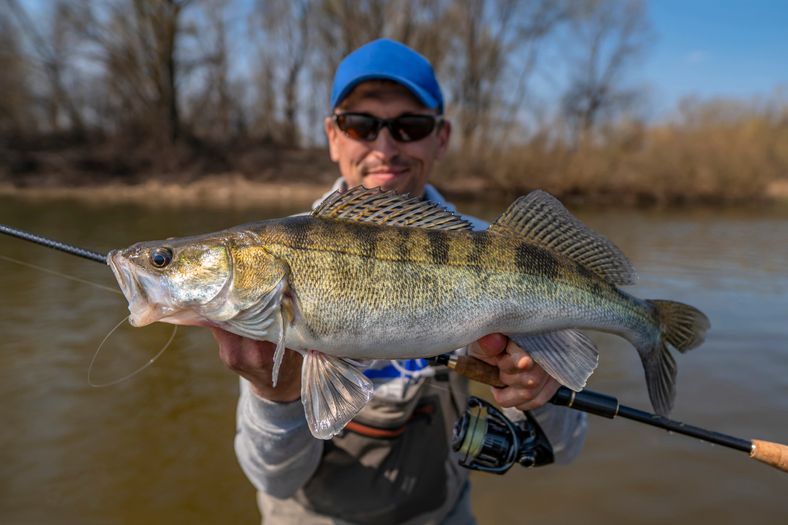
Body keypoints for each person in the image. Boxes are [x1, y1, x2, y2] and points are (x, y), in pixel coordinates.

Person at [211, 39, 587, 524]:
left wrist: (538, 389)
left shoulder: (493, 248)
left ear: (441, 138)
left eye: (410, 126)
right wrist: (275, 393)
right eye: (360, 125)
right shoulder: (276, 253)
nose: (385, 149)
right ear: (332, 136)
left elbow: (565, 446)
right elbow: (273, 479)